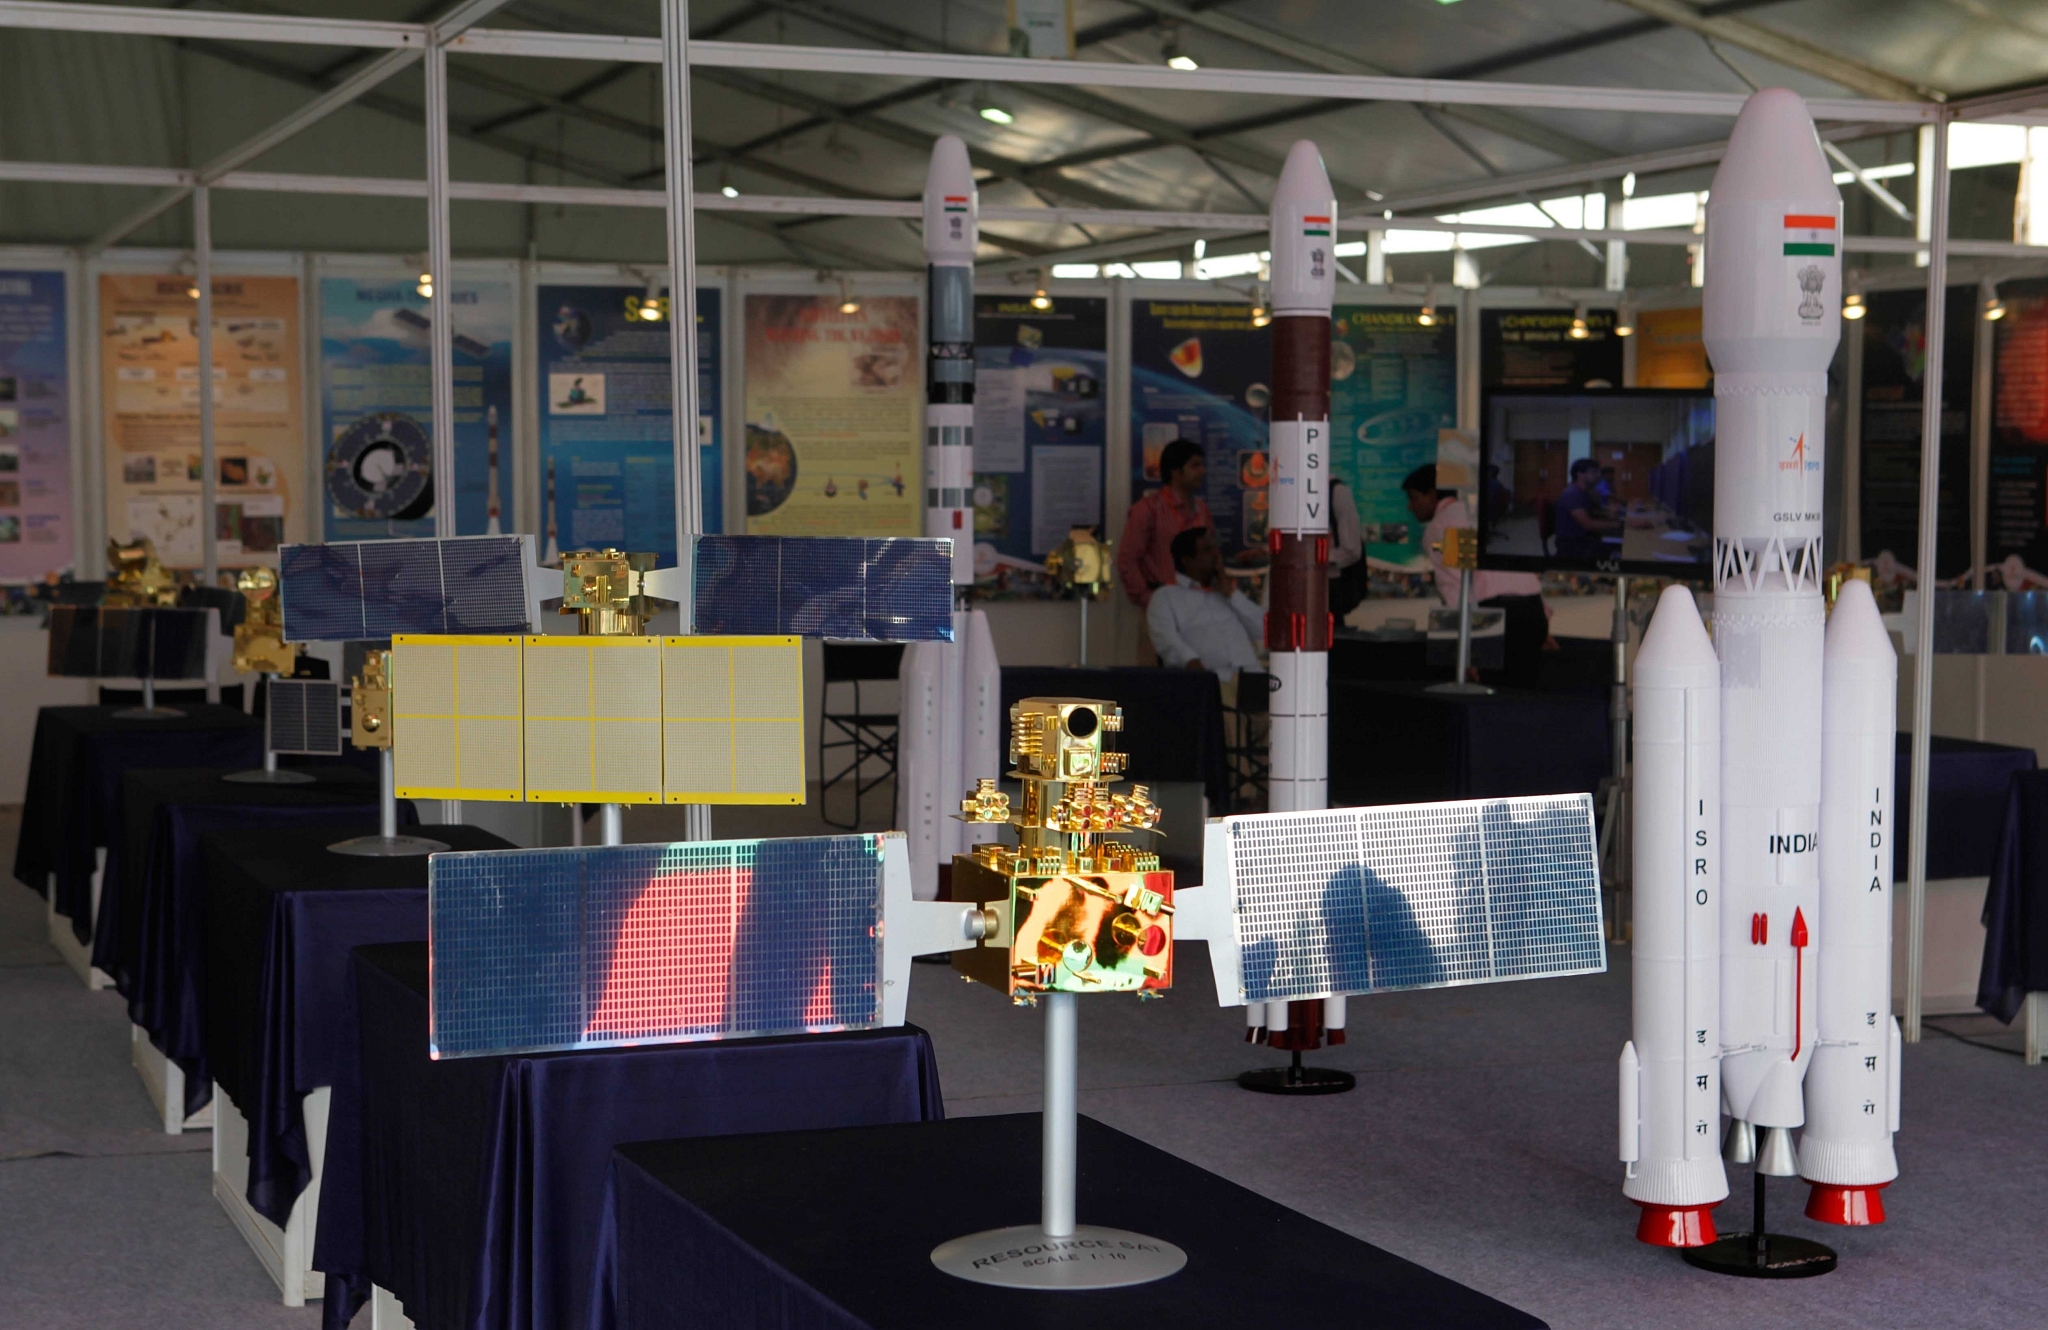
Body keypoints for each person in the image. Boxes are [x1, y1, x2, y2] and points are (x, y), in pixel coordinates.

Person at [1401, 464, 1553, 685]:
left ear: (1431, 495)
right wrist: (1542, 619)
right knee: (1521, 698)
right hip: (1532, 611)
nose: (1410, 506)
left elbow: (1457, 587)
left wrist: (1465, 651)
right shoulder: (1479, 513)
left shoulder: (1442, 526)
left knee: (1487, 699)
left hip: (1496, 615)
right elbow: (1520, 573)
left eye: (1414, 498)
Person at [1147, 526, 1264, 679]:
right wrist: (1191, 662)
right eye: (1207, 550)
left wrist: (1232, 594)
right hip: (1210, 682)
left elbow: (1263, 629)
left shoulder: (1226, 593)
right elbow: (1167, 640)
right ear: (1187, 561)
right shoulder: (1166, 597)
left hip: (1252, 677)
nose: (1216, 554)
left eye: (1215, 547)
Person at [1117, 439, 1212, 609]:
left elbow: (1211, 554)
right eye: (1195, 466)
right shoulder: (1147, 509)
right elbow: (1127, 560)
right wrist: (1147, 599)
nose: (1202, 471)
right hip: (1163, 604)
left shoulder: (1202, 510)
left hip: (1200, 606)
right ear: (1175, 471)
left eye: (1202, 465)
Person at [1552, 456, 1622, 560]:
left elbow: (1592, 512)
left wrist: (1612, 516)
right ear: (1580, 475)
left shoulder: (1584, 492)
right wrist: (1619, 524)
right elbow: (1588, 524)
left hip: (1583, 540)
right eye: (1594, 472)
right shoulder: (1573, 494)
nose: (1598, 475)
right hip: (1573, 547)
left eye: (1598, 472)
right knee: (1624, 549)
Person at [1327, 474, 1366, 620]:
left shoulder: (1336, 491)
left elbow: (1352, 550)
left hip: (1331, 584)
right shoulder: (1293, 491)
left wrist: (1314, 560)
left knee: (1332, 638)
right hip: (1299, 585)